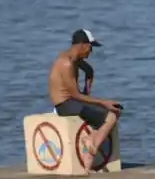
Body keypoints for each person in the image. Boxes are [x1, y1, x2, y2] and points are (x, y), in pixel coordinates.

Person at [48, 28, 122, 166]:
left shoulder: (75, 59)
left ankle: (92, 141)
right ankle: (91, 147)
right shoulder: (67, 63)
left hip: (73, 101)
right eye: (90, 47)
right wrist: (102, 102)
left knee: (116, 108)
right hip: (65, 105)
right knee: (112, 115)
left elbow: (89, 71)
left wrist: (87, 92)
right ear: (82, 45)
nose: (91, 51)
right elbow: (75, 94)